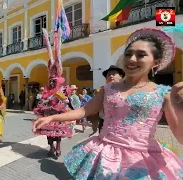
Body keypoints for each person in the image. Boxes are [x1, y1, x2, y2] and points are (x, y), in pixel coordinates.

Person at [33, 28, 183, 179]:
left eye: (141, 55)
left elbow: (180, 136)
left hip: (142, 160)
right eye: (128, 54)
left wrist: (181, 107)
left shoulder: (164, 93)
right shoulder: (108, 89)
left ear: (155, 63)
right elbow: (84, 110)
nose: (131, 59)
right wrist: (51, 118)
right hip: (105, 154)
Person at [33, 28, 74, 159]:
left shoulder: (62, 89)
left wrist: (64, 99)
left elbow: (68, 102)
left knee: (59, 134)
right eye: (50, 81)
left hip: (59, 116)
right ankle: (51, 148)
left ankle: (58, 148)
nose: (51, 82)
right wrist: (45, 100)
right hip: (48, 117)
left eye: (53, 81)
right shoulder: (46, 90)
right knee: (48, 134)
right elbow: (42, 102)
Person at [98, 65, 125, 133]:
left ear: (120, 76)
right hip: (104, 121)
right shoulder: (102, 90)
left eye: (113, 74)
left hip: (122, 124)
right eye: (108, 75)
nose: (111, 76)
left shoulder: (126, 90)